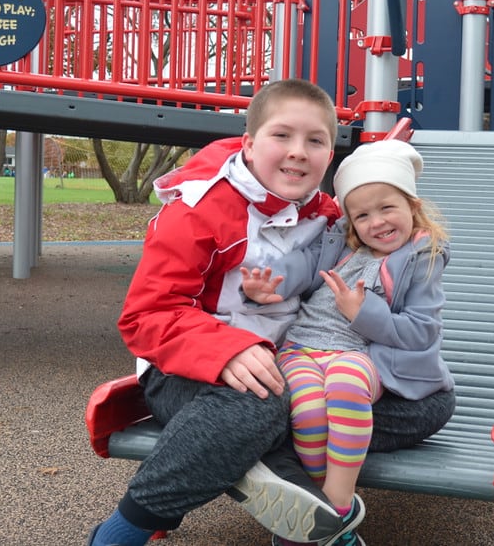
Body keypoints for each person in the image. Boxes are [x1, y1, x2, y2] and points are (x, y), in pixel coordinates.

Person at [88, 79, 352, 546]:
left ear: (330, 155)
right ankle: (120, 533)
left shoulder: (325, 216)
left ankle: (285, 489)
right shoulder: (200, 208)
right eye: (281, 136)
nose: (298, 152)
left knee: (421, 404)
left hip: (288, 367)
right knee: (259, 405)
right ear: (249, 144)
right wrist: (226, 350)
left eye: (315, 141)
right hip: (187, 372)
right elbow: (145, 315)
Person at [241, 139, 457, 546]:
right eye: (362, 215)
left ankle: (336, 511)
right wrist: (271, 282)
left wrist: (363, 313)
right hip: (302, 347)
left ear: (412, 206)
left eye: (387, 208)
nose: (376, 222)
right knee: (305, 410)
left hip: (358, 353)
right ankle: (313, 517)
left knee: (343, 389)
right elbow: (303, 265)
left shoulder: (422, 257)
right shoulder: (340, 244)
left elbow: (420, 332)